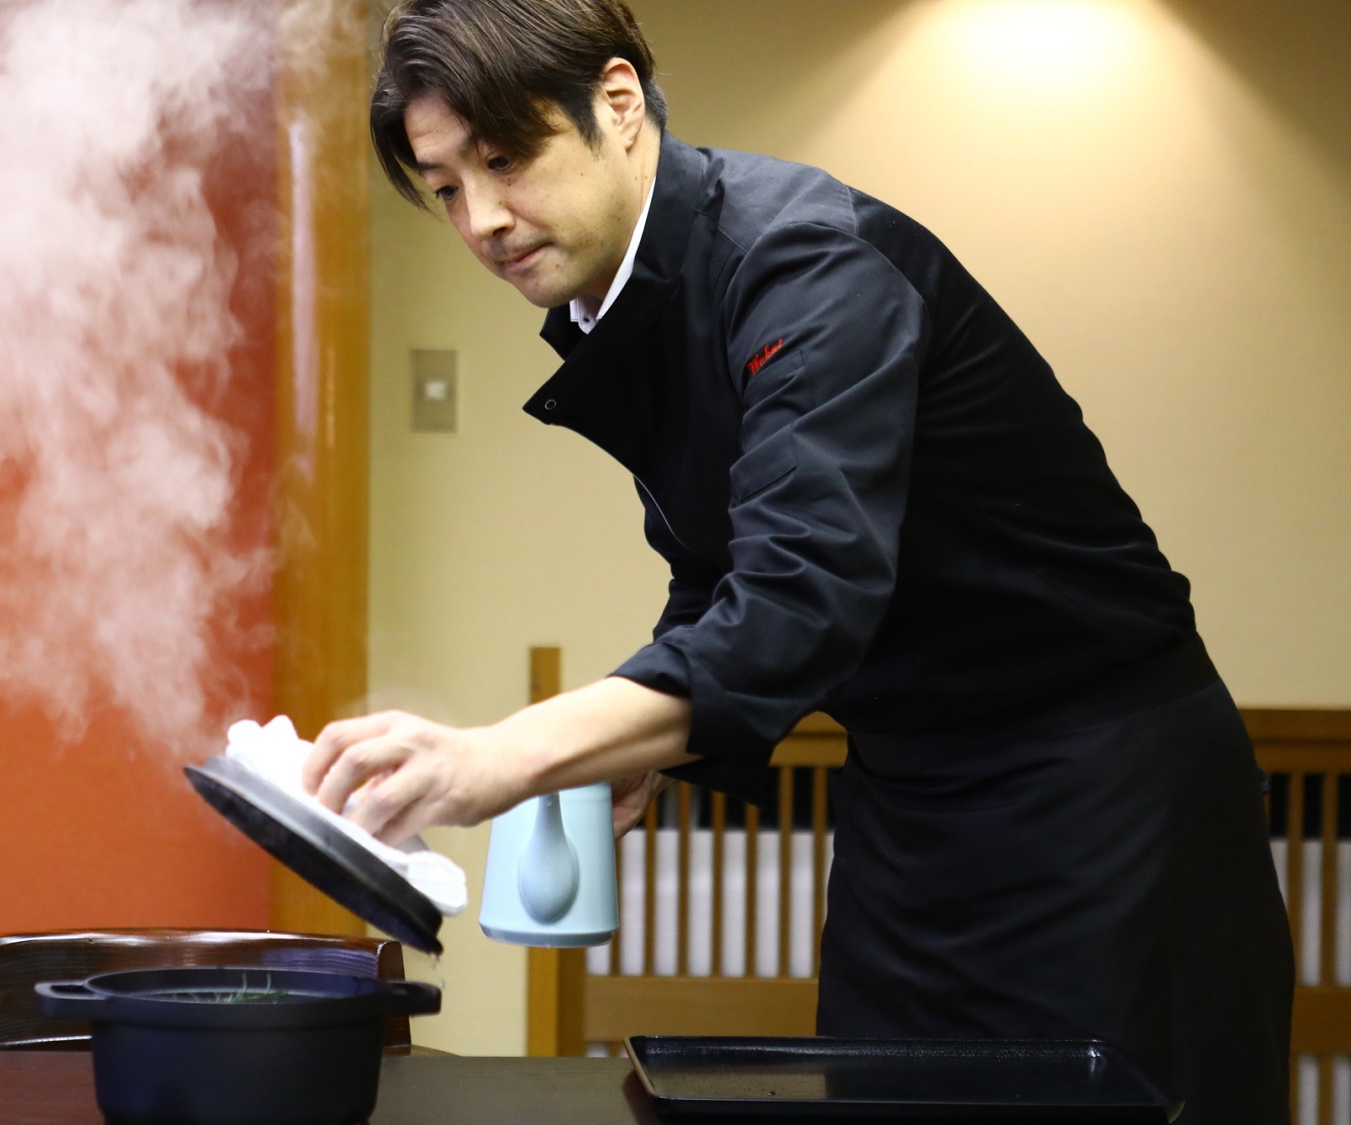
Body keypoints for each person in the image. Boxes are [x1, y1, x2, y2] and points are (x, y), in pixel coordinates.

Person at [299, 1, 1293, 1119]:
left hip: (1103, 806)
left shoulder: (804, 263)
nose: (480, 218)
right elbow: (726, 572)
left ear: (617, 106)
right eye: (442, 188)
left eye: (504, 158)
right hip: (908, 809)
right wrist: (644, 741)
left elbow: (800, 599)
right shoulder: (628, 299)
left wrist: (504, 755)